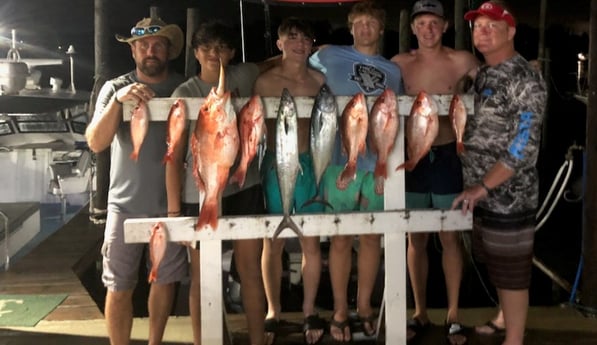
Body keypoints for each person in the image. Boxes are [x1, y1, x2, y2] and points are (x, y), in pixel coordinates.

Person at [165, 20, 271, 345]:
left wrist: (316, 51)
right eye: (207, 47)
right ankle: (205, 341)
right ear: (196, 53)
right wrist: (173, 212)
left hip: (245, 185)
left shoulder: (243, 76)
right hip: (200, 192)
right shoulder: (184, 93)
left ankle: (257, 339)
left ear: (232, 52)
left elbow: (272, 63)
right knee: (202, 275)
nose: (215, 53)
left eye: (222, 47)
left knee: (250, 271)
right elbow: (173, 154)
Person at [85, 17, 188, 345]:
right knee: (118, 286)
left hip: (171, 206)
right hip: (123, 206)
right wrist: (119, 101)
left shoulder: (183, 88)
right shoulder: (114, 88)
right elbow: (95, 142)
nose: (151, 50)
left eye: (158, 44)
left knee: (165, 281)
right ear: (132, 50)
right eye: (143, 45)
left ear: (169, 50)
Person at [451, 2, 547, 345]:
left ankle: (515, 338)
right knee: (494, 262)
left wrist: (483, 188)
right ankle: (504, 318)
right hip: (482, 191)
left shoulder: (526, 79)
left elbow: (524, 147)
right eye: (478, 26)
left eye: (493, 25)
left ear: (512, 32)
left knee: (512, 274)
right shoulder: (486, 73)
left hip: (509, 195)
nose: (483, 31)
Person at [309, 1, 404, 342]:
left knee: (370, 238)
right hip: (338, 161)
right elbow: (293, 63)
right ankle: (338, 309)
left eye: (372, 23)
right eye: (359, 22)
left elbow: (398, 116)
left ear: (381, 29)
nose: (365, 28)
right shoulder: (329, 55)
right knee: (340, 237)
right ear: (351, 27)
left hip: (377, 166)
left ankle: (363, 307)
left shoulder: (392, 70)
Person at [390, 1, 479, 344]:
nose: (428, 29)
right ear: (413, 28)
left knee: (450, 236)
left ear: (444, 27)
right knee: (416, 238)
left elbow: (490, 82)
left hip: (447, 156)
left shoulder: (463, 61)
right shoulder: (399, 65)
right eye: (421, 23)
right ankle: (420, 311)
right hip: (410, 159)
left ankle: (454, 313)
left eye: (434, 23)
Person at [253, 17, 326, 345]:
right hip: (274, 165)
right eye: (292, 37)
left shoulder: (319, 80)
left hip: (311, 164)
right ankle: (274, 311)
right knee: (274, 241)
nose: (300, 43)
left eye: (306, 39)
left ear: (312, 45)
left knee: (311, 241)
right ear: (280, 43)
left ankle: (310, 309)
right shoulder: (264, 81)